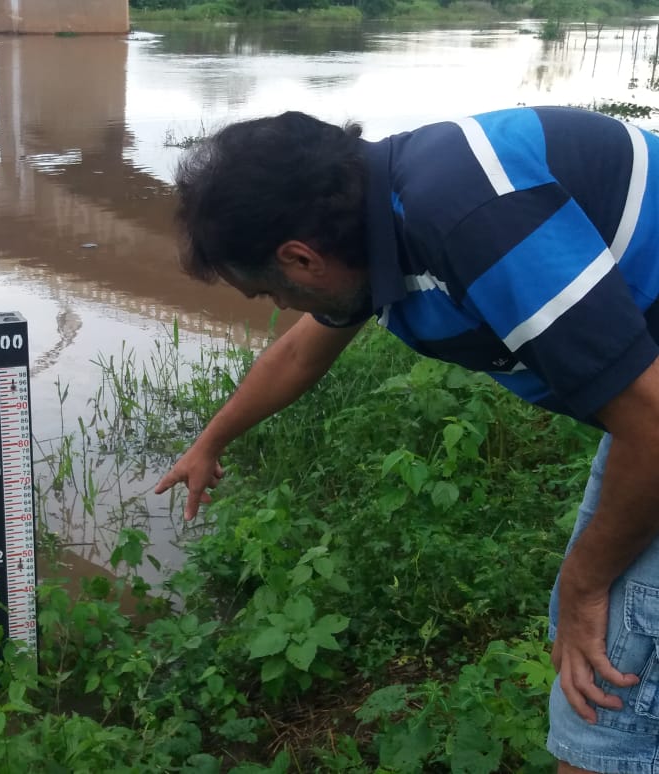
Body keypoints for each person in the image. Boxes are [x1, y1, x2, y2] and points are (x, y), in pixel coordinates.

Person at [154, 106, 659, 774]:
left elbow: (654, 428)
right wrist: (209, 442)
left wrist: (585, 586)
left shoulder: (470, 216)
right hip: (646, 416)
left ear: (300, 258)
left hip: (652, 424)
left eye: (272, 292)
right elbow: (303, 354)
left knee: (599, 716)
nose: (289, 309)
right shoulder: (377, 209)